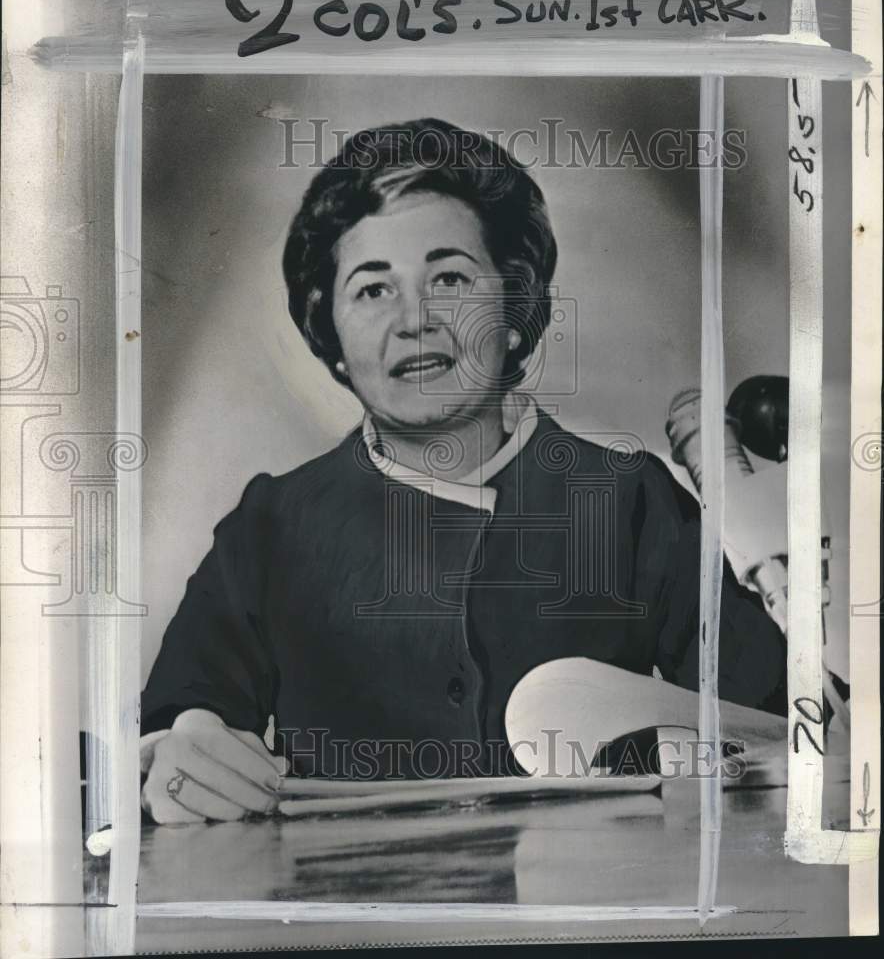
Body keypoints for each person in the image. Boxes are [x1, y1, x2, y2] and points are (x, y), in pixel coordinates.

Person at [140, 118, 787, 824]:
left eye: (448, 277)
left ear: (513, 312)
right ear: (332, 340)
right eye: (372, 290)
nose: (414, 320)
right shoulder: (270, 528)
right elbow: (177, 722)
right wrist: (187, 750)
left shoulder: (631, 501)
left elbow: (776, 723)